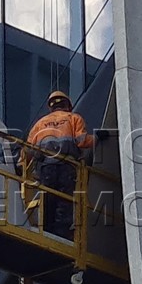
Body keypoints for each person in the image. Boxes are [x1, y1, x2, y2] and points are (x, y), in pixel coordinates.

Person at [24, 90, 94, 238]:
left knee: (48, 200)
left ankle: (47, 233)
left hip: (46, 169)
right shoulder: (73, 118)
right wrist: (99, 139)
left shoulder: (40, 124)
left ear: (51, 107)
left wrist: (21, 168)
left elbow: (28, 152)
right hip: (66, 167)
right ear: (68, 105)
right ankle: (62, 236)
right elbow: (82, 141)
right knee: (64, 202)